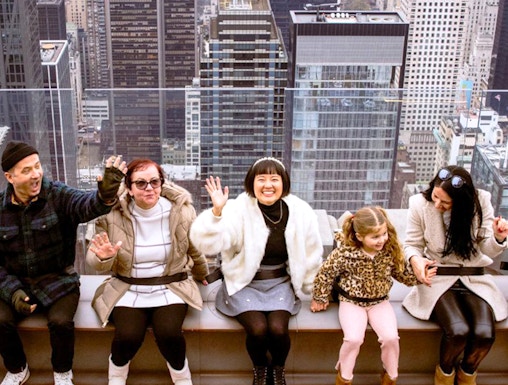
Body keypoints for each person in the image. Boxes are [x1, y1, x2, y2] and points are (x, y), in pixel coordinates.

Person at [0, 141, 126, 385]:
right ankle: (17, 369)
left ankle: (62, 372)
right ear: (10, 177)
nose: (36, 174)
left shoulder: (57, 195)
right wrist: (11, 290)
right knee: (0, 321)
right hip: (16, 283)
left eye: (37, 166)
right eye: (27, 170)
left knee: (61, 323)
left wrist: (105, 195)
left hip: (58, 280)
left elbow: (86, 205)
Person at [189, 157, 323, 385]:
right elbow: (208, 245)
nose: (268, 185)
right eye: (261, 179)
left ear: (284, 182)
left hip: (279, 282)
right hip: (243, 283)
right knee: (259, 329)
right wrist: (217, 213)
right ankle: (260, 369)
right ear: (252, 183)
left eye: (274, 179)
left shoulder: (301, 211)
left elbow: (311, 254)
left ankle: (277, 370)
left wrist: (316, 291)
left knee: (279, 330)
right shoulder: (238, 208)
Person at [86, 158, 209, 385]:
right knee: (128, 336)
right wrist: (105, 257)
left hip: (171, 286)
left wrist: (203, 274)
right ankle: (116, 377)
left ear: (162, 183)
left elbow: (193, 247)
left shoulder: (181, 211)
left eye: (155, 181)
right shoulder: (110, 214)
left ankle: (182, 378)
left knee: (169, 333)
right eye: (141, 183)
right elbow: (94, 258)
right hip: (127, 287)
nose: (149, 188)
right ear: (130, 188)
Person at [403, 165, 508, 385]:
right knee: (458, 331)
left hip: (474, 277)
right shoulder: (419, 204)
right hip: (438, 277)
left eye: (445, 202)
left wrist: (498, 238)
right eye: (435, 197)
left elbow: (487, 248)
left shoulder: (480, 202)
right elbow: (411, 244)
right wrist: (416, 260)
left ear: (460, 202)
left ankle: (467, 375)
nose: (438, 205)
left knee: (484, 334)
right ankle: (443, 376)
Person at [311, 206, 425, 385]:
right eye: (375, 237)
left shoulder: (389, 251)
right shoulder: (345, 253)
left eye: (384, 234)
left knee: (391, 338)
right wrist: (320, 297)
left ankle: (390, 376)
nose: (382, 240)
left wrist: (419, 276)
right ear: (359, 236)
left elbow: (401, 274)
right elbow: (325, 273)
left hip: (379, 302)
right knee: (353, 339)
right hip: (351, 302)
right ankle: (344, 379)